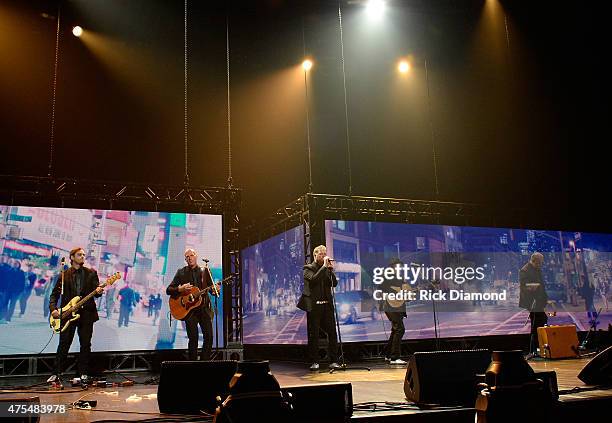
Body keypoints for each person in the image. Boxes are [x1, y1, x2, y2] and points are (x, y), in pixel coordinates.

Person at [49, 248, 104, 382]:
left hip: (86, 314)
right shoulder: (64, 274)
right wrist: (53, 309)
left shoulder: (91, 273)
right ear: (72, 257)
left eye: (84, 255)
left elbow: (97, 293)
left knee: (85, 344)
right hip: (68, 314)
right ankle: (56, 373)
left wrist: (98, 291)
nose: (83, 256)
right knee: (64, 343)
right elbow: (54, 295)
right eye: (79, 255)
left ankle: (83, 373)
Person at [166, 248, 217, 361]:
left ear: (196, 256)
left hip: (203, 308)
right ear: (185, 259)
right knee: (193, 338)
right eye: (187, 256)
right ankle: (193, 364)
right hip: (190, 311)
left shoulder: (205, 271)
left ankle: (204, 363)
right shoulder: (181, 272)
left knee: (209, 337)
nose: (190, 258)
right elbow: (168, 290)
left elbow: (211, 290)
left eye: (192, 255)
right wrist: (179, 289)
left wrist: (214, 290)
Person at [300, 245, 340, 371]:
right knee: (314, 335)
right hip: (315, 307)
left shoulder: (326, 269)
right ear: (315, 255)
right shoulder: (308, 268)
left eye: (324, 253)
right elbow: (313, 279)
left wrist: (331, 270)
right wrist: (324, 268)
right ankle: (315, 361)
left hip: (327, 305)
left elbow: (334, 283)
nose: (323, 256)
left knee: (332, 333)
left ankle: (334, 361)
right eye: (321, 254)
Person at [519, 252, 548, 358]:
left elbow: (541, 285)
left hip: (539, 301)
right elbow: (524, 287)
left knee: (541, 323)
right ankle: (532, 350)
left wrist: (544, 299)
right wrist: (532, 287)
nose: (541, 264)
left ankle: (537, 349)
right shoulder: (525, 270)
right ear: (534, 260)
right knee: (536, 326)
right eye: (540, 262)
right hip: (533, 303)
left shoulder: (536, 269)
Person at [380, 258, 407, 365]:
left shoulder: (397, 277)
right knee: (400, 329)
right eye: (398, 266)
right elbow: (383, 288)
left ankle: (388, 355)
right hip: (391, 307)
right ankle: (395, 357)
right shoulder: (389, 275)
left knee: (395, 330)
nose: (399, 268)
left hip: (395, 307)